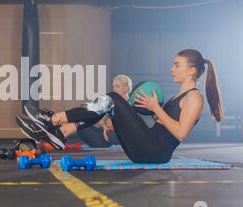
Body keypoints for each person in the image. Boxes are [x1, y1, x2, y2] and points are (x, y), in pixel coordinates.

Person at [17, 49, 224, 163]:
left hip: (154, 152)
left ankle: (52, 120)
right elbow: (163, 126)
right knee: (109, 105)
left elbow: (180, 134)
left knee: (112, 99)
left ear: (192, 71)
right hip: (148, 147)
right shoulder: (179, 95)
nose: (171, 69)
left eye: (177, 65)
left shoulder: (195, 98)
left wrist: (156, 108)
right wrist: (147, 112)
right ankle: (61, 132)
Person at [77, 74, 133, 147]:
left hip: (113, 137)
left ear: (127, 88)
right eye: (113, 87)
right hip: (103, 135)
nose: (114, 89)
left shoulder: (129, 106)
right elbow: (101, 122)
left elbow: (115, 125)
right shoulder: (111, 102)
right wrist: (104, 127)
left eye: (117, 86)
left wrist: (106, 125)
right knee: (79, 121)